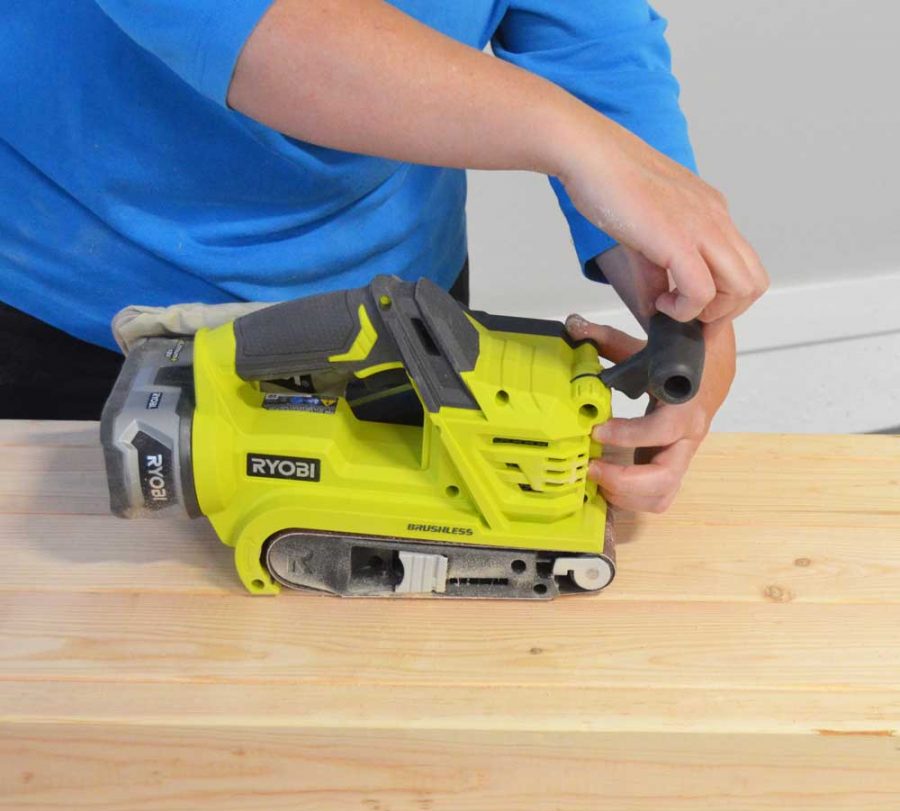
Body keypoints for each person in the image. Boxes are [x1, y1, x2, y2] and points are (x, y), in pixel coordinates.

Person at [0, 0, 768, 514]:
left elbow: (582, 23)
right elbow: (240, 22)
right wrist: (583, 146)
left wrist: (674, 279)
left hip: (398, 306)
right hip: (71, 309)